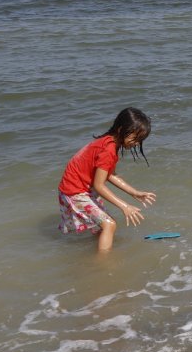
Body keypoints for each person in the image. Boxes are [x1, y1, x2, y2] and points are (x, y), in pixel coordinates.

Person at [57, 107, 156, 252]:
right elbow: (99, 185)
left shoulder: (109, 142)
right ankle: (103, 266)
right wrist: (125, 206)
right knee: (109, 224)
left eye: (140, 140)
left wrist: (133, 192)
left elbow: (110, 174)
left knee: (101, 227)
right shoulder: (108, 150)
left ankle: (99, 252)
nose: (136, 143)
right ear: (121, 129)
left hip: (81, 187)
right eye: (135, 138)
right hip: (74, 191)